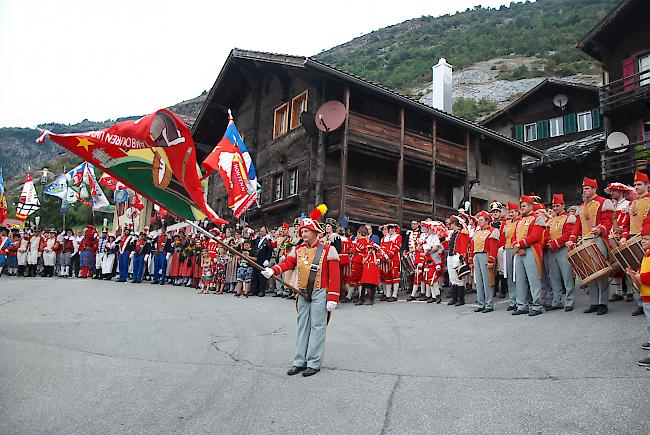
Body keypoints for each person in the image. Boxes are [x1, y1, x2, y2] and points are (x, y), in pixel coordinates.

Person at [261, 206, 340, 377]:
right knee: (302, 326)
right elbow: (288, 264)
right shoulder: (297, 249)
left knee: (318, 326)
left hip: (320, 291)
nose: (303, 234)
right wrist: (274, 270)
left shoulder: (328, 250)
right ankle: (299, 361)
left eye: (306, 231)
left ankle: (313, 362)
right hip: (302, 292)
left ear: (315, 232)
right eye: (302, 231)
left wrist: (333, 296)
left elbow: (335, 276)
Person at [567, 177, 614, 315]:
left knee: (601, 272)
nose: (584, 191)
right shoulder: (580, 207)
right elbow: (577, 226)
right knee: (590, 273)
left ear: (594, 189)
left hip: (598, 239)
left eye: (587, 188)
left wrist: (601, 229)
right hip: (585, 241)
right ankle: (594, 302)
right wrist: (572, 239)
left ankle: (603, 303)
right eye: (584, 188)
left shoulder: (604, 202)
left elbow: (608, 221)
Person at [512, 195, 546, 316]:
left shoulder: (537, 219)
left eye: (524, 206)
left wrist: (520, 244)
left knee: (533, 279)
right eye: (521, 206)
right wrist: (516, 246)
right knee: (520, 279)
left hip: (531, 250)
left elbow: (535, 236)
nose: (522, 208)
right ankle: (522, 305)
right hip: (521, 251)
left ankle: (536, 305)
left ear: (531, 206)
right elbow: (514, 236)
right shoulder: (520, 220)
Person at [546, 194, 577, 311]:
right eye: (553, 206)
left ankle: (570, 300)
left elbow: (568, 234)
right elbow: (547, 233)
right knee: (553, 277)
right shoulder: (551, 220)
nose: (555, 208)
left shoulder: (569, 218)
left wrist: (555, 244)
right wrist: (548, 242)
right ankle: (557, 300)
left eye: (557, 206)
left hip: (563, 249)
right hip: (552, 251)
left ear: (563, 205)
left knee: (567, 276)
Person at [625, 171, 650, 316]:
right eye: (635, 185)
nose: (637, 187)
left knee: (646, 271)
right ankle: (640, 303)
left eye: (639, 184)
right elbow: (627, 223)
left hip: (646, 239)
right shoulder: (632, 203)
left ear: (647, 185)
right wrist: (624, 236)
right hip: (632, 239)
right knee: (634, 271)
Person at [628, 215, 650, 369]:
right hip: (646, 296)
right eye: (642, 239)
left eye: (647, 239)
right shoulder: (646, 255)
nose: (642, 241)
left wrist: (640, 276)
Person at [470, 211, 500, 313]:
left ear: (487, 221)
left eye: (481, 220)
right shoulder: (477, 232)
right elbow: (472, 246)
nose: (479, 222)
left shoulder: (493, 231)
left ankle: (488, 304)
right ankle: (481, 303)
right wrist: (471, 259)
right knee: (478, 281)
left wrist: (491, 259)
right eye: (479, 220)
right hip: (476, 256)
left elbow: (493, 247)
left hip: (485, 255)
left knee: (487, 281)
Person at [446, 216, 469, 306]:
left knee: (459, 278)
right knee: (452, 278)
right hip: (451, 256)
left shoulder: (461, 233)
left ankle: (461, 299)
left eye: (450, 223)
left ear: (454, 223)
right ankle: (454, 298)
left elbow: (464, 245)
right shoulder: (453, 233)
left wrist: (462, 256)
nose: (448, 225)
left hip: (457, 256)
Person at [379, 223, 402, 302]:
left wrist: (388, 255)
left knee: (395, 276)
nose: (392, 230)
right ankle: (388, 295)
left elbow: (396, 247)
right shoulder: (385, 238)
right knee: (387, 276)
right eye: (390, 228)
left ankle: (395, 295)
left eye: (393, 228)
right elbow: (382, 248)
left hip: (394, 259)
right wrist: (383, 256)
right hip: (386, 260)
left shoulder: (398, 237)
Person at [250, 226, 273, 297]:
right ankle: (254, 290)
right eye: (260, 231)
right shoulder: (257, 239)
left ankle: (261, 291)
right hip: (256, 259)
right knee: (254, 275)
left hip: (263, 259)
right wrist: (251, 236)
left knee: (261, 276)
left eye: (262, 231)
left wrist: (267, 260)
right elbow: (253, 246)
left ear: (266, 232)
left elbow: (269, 250)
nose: (261, 232)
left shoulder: (268, 240)